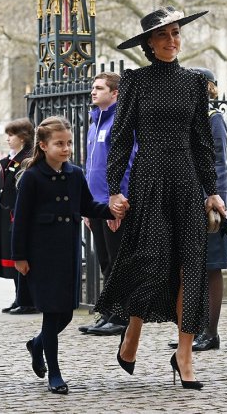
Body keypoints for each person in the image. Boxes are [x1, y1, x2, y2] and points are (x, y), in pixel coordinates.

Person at [93, 7, 225, 390]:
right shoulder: (136, 82)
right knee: (150, 263)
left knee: (190, 268)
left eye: (176, 34)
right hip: (148, 182)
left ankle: (184, 354)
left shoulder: (194, 84)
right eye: (163, 35)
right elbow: (119, 140)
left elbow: (202, 142)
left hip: (186, 183)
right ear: (150, 44)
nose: (172, 41)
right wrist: (115, 190)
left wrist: (212, 191)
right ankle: (132, 331)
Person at [11, 116, 120, 395]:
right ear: (44, 146)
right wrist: (19, 257)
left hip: (68, 254)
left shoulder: (75, 174)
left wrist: (113, 211)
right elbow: (20, 220)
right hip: (42, 255)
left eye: (69, 143)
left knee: (67, 315)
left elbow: (87, 205)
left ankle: (36, 345)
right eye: (59, 143)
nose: (66, 148)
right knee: (51, 315)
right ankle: (55, 373)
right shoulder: (32, 176)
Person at [169, 67, 227, 351]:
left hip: (206, 200)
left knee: (210, 267)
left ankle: (211, 331)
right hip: (183, 197)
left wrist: (214, 198)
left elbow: (218, 163)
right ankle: (191, 330)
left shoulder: (212, 118)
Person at [79, 72, 134, 336]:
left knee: (117, 262)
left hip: (113, 204)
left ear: (115, 94)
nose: (93, 91)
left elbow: (126, 164)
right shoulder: (94, 123)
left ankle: (121, 316)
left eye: (99, 88)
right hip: (96, 204)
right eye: (93, 87)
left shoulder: (120, 122)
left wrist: (119, 201)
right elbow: (92, 167)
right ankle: (108, 313)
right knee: (103, 260)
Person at [0, 118, 38, 315]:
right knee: (12, 258)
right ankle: (19, 297)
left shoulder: (26, 159)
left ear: (23, 137)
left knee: (21, 257)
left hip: (15, 215)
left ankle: (27, 300)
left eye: (12, 135)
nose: (8, 139)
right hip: (6, 213)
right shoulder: (13, 158)